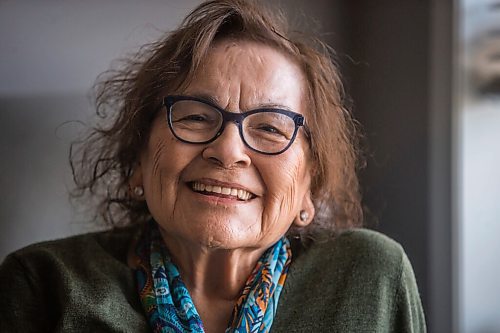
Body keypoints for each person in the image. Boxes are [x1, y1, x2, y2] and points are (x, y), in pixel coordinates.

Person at [0, 0, 426, 332]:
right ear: (137, 161)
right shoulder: (43, 285)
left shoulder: (371, 277)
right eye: (195, 117)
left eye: (270, 129)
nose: (228, 150)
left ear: (310, 188)